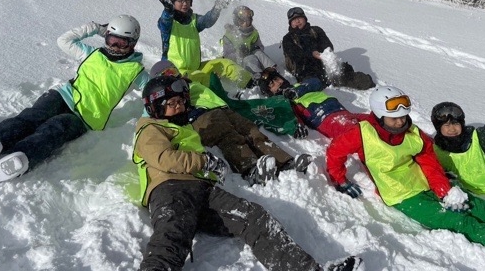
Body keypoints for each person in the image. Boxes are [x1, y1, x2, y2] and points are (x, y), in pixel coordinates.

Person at [133, 74, 363, 271]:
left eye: (180, 102)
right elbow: (163, 159)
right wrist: (204, 161)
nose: (179, 107)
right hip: (172, 190)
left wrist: (209, 168)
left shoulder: (182, 128)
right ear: (156, 107)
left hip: (203, 191)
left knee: (255, 217)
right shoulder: (150, 128)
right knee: (171, 238)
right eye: (171, 103)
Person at [325, 86, 485, 271]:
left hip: (426, 183)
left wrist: (445, 190)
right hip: (402, 196)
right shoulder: (361, 134)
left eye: (403, 116)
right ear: (378, 116)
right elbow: (335, 152)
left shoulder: (412, 133)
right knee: (461, 222)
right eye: (394, 118)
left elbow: (429, 161)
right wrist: (340, 179)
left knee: (482, 208)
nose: (400, 122)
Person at [0, 15, 149, 186]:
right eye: (111, 39)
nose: (114, 46)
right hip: (64, 95)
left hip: (86, 117)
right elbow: (64, 41)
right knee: (32, 117)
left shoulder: (136, 71)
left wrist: (149, 116)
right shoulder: (92, 53)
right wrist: (94, 28)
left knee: (55, 129)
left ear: (132, 43)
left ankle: (20, 157)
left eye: (121, 43)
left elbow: (152, 95)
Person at [149, 61, 311, 186]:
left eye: (173, 71)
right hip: (200, 118)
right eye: (167, 74)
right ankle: (251, 169)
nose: (173, 76)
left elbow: (215, 70)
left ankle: (284, 161)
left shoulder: (192, 80)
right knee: (229, 137)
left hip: (223, 109)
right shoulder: (166, 98)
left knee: (252, 130)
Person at [157, 0, 252, 87]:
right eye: (180, 1)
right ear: (171, 3)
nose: (184, 4)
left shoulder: (193, 20)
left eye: (187, 0)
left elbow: (208, 21)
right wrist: (167, 11)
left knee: (225, 64)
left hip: (196, 69)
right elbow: (163, 23)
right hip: (176, 74)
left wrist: (217, 8)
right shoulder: (169, 24)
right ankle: (222, 94)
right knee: (202, 77)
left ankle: (251, 85)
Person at [282, 7, 374, 90]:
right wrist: (312, 53)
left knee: (360, 80)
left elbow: (327, 45)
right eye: (294, 20)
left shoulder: (316, 30)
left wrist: (324, 53)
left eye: (299, 18)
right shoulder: (288, 38)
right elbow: (294, 54)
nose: (297, 21)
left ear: (305, 19)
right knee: (314, 86)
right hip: (305, 70)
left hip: (324, 64)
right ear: (290, 23)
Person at [258, 67, 361, 139]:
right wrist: (296, 127)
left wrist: (297, 91)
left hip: (339, 109)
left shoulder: (299, 85)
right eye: (272, 84)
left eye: (276, 79)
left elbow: (316, 82)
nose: (277, 83)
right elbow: (289, 115)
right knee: (359, 134)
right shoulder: (283, 101)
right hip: (324, 117)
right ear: (270, 92)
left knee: (371, 124)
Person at [222, 5, 277, 77]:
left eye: (248, 21)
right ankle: (258, 77)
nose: (246, 24)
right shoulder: (229, 35)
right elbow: (227, 55)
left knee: (259, 53)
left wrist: (253, 48)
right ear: (237, 22)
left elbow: (260, 47)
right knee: (249, 58)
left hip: (252, 55)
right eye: (242, 22)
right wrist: (239, 53)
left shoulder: (253, 32)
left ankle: (273, 71)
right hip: (239, 62)